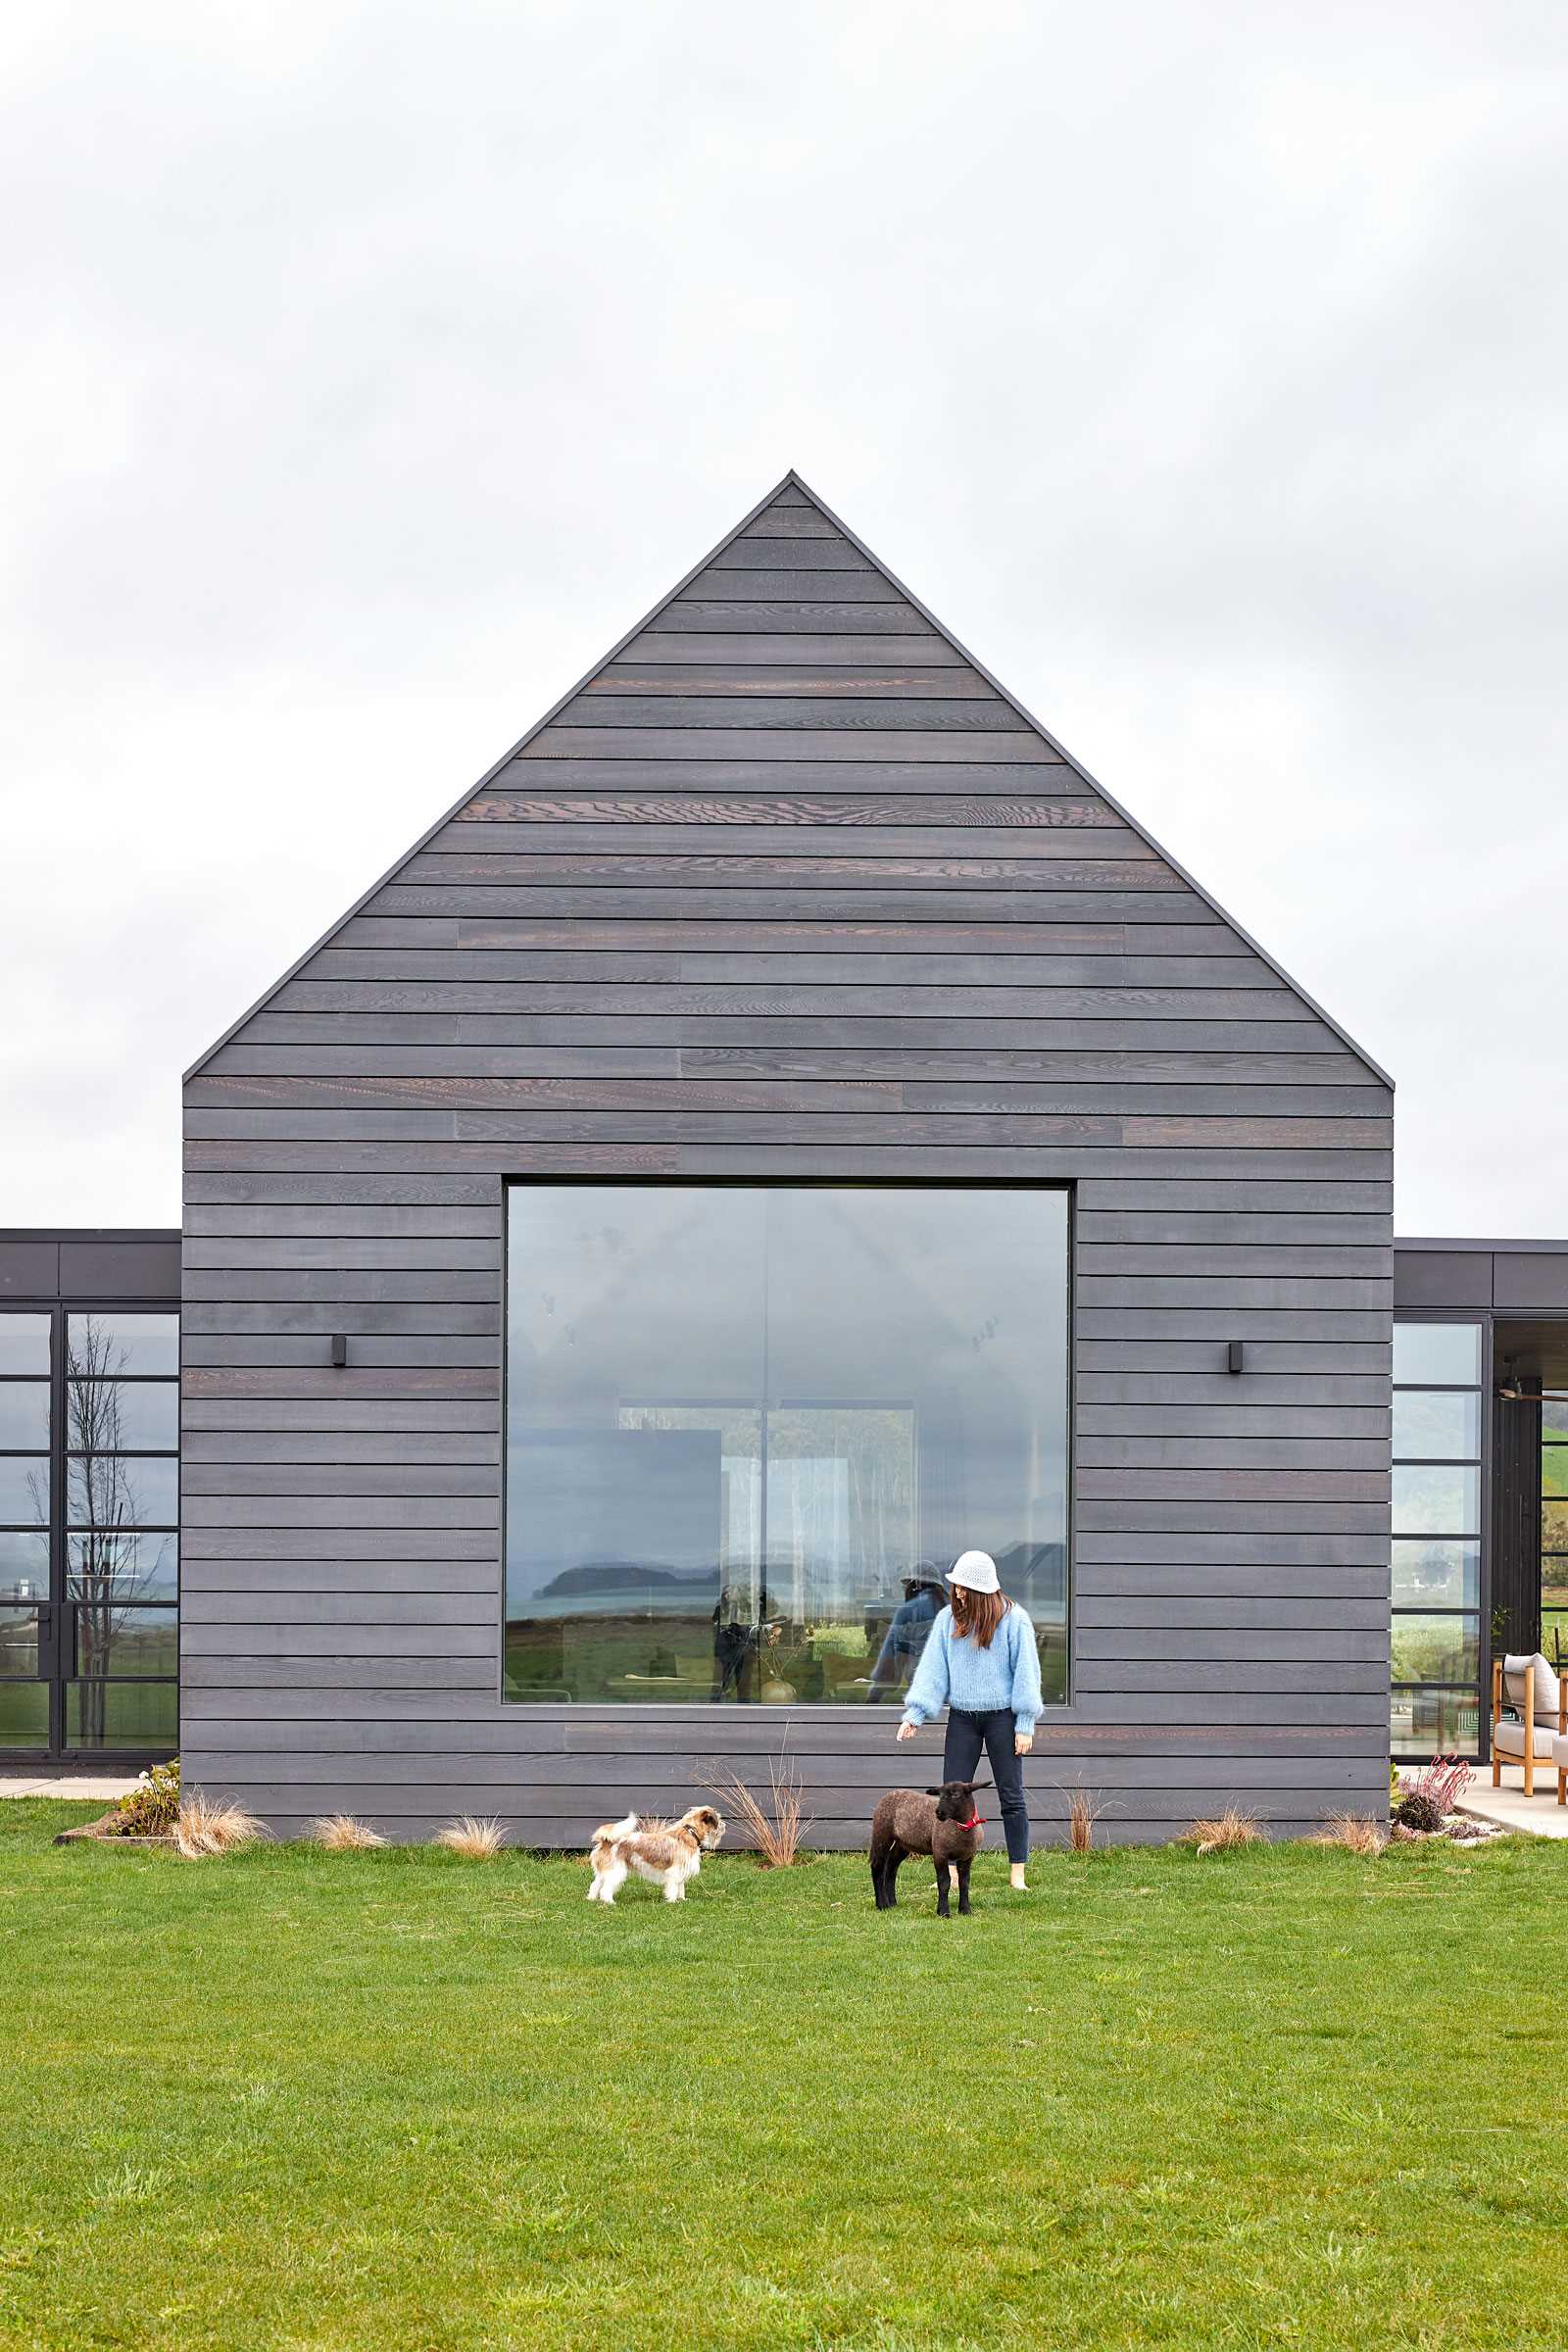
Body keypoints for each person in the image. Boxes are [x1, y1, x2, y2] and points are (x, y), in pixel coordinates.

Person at [895, 1548, 1041, 1890]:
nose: (957, 1592)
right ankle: (951, 1873)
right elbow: (933, 1671)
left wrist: (1025, 1724)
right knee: (950, 1799)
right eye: (955, 1586)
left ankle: (1017, 1873)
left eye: (963, 1587)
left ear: (982, 1590)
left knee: (1012, 1795)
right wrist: (915, 1715)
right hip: (963, 1719)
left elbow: (1026, 1675)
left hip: (1002, 1719)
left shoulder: (1014, 1620)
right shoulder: (948, 1620)